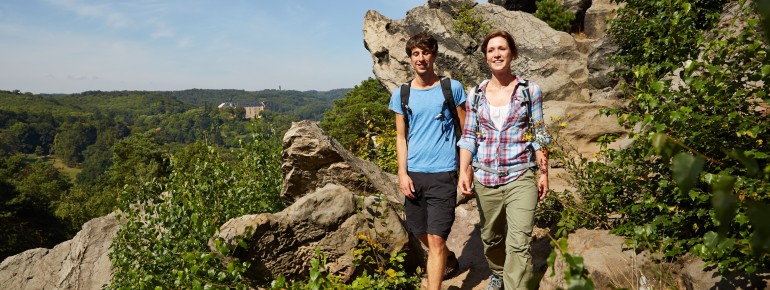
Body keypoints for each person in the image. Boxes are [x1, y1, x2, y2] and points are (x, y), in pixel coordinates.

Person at [457, 31, 549, 290]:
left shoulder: (530, 91)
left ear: (512, 53)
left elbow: (539, 134)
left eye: (502, 49)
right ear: (486, 57)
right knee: (491, 238)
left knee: (518, 243)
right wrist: (464, 171)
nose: (497, 54)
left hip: (521, 175)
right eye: (491, 50)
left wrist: (543, 173)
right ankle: (497, 271)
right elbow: (469, 136)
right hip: (485, 177)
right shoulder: (475, 94)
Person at [388, 32, 467, 290]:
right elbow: (401, 137)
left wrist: (466, 168)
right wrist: (402, 173)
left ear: (433, 55)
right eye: (415, 54)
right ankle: (448, 258)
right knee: (418, 230)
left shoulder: (451, 88)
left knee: (435, 239)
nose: (421, 58)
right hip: (414, 174)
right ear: (410, 58)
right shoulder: (402, 93)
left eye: (425, 53)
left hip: (444, 173)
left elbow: (466, 132)